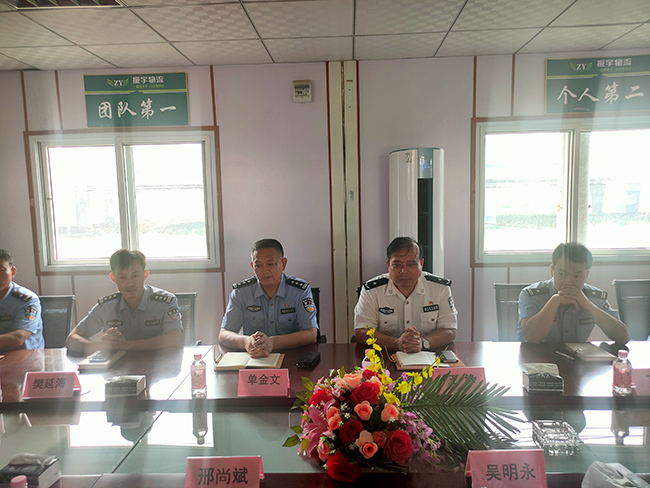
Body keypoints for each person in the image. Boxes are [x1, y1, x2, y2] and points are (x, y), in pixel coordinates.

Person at [66, 249, 183, 354]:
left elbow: (175, 337)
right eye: (122, 277)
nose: (130, 283)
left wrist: (128, 345)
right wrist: (102, 346)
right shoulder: (107, 306)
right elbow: (72, 339)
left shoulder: (165, 302)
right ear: (113, 278)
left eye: (135, 276)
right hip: (118, 367)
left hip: (158, 364)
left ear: (145, 275)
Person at [354, 237, 457, 352]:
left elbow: (449, 329)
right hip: (385, 355)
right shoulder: (372, 290)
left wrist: (422, 343)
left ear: (421, 264)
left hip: (428, 355)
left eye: (411, 264)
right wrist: (396, 343)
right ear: (388, 265)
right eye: (397, 265)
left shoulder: (440, 288)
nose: (404, 271)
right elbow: (361, 330)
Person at [219, 239, 318, 358]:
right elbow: (223, 334)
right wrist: (245, 341)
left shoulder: (299, 291)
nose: (264, 270)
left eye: (270, 264)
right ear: (252, 266)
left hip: (291, 357)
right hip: (254, 358)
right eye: (258, 265)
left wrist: (273, 342)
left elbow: (311, 334)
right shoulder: (241, 292)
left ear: (283, 264)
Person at [518, 242, 630, 344]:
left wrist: (588, 305)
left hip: (576, 358)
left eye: (577, 276)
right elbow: (533, 338)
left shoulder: (595, 296)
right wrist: (555, 300)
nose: (568, 282)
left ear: (586, 275)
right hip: (537, 357)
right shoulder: (531, 295)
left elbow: (623, 337)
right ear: (552, 270)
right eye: (562, 274)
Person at [0, 249, 44, 350]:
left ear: (12, 272)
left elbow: (18, 338)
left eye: (0, 270)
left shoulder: (27, 300)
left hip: (26, 357)